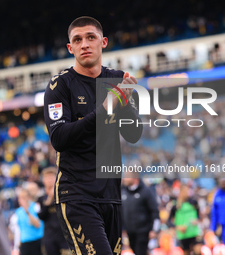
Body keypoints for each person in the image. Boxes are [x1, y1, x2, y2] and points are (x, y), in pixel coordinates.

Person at [44, 16, 143, 255]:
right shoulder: (60, 86)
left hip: (111, 195)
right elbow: (59, 138)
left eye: (91, 37)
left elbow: (133, 134)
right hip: (76, 194)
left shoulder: (118, 80)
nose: (84, 44)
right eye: (77, 40)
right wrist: (107, 107)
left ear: (103, 42)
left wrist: (127, 105)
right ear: (70, 48)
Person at [121, 176, 159, 255]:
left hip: (143, 231)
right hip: (130, 232)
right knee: (136, 251)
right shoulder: (123, 191)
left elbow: (154, 211)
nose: (125, 178)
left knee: (140, 251)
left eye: (127, 176)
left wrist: (154, 230)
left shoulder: (146, 191)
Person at [37, 167, 70, 255]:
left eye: (51, 177)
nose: (49, 180)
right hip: (49, 235)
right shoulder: (41, 198)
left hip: (64, 234)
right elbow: (41, 216)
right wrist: (49, 200)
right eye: (46, 177)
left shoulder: (64, 195)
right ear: (43, 180)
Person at [168, 184, 200, 255]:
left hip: (194, 232)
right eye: (185, 191)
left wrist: (196, 220)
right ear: (181, 192)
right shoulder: (175, 205)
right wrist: (178, 227)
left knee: (197, 250)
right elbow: (169, 220)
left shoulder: (193, 202)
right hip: (183, 234)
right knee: (186, 252)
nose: (187, 192)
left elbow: (198, 215)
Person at [15, 188, 44, 255]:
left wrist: (27, 212)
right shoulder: (18, 212)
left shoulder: (35, 207)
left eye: (24, 197)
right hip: (24, 244)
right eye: (20, 198)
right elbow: (19, 230)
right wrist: (18, 246)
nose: (22, 200)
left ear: (29, 197)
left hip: (36, 242)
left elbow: (37, 224)